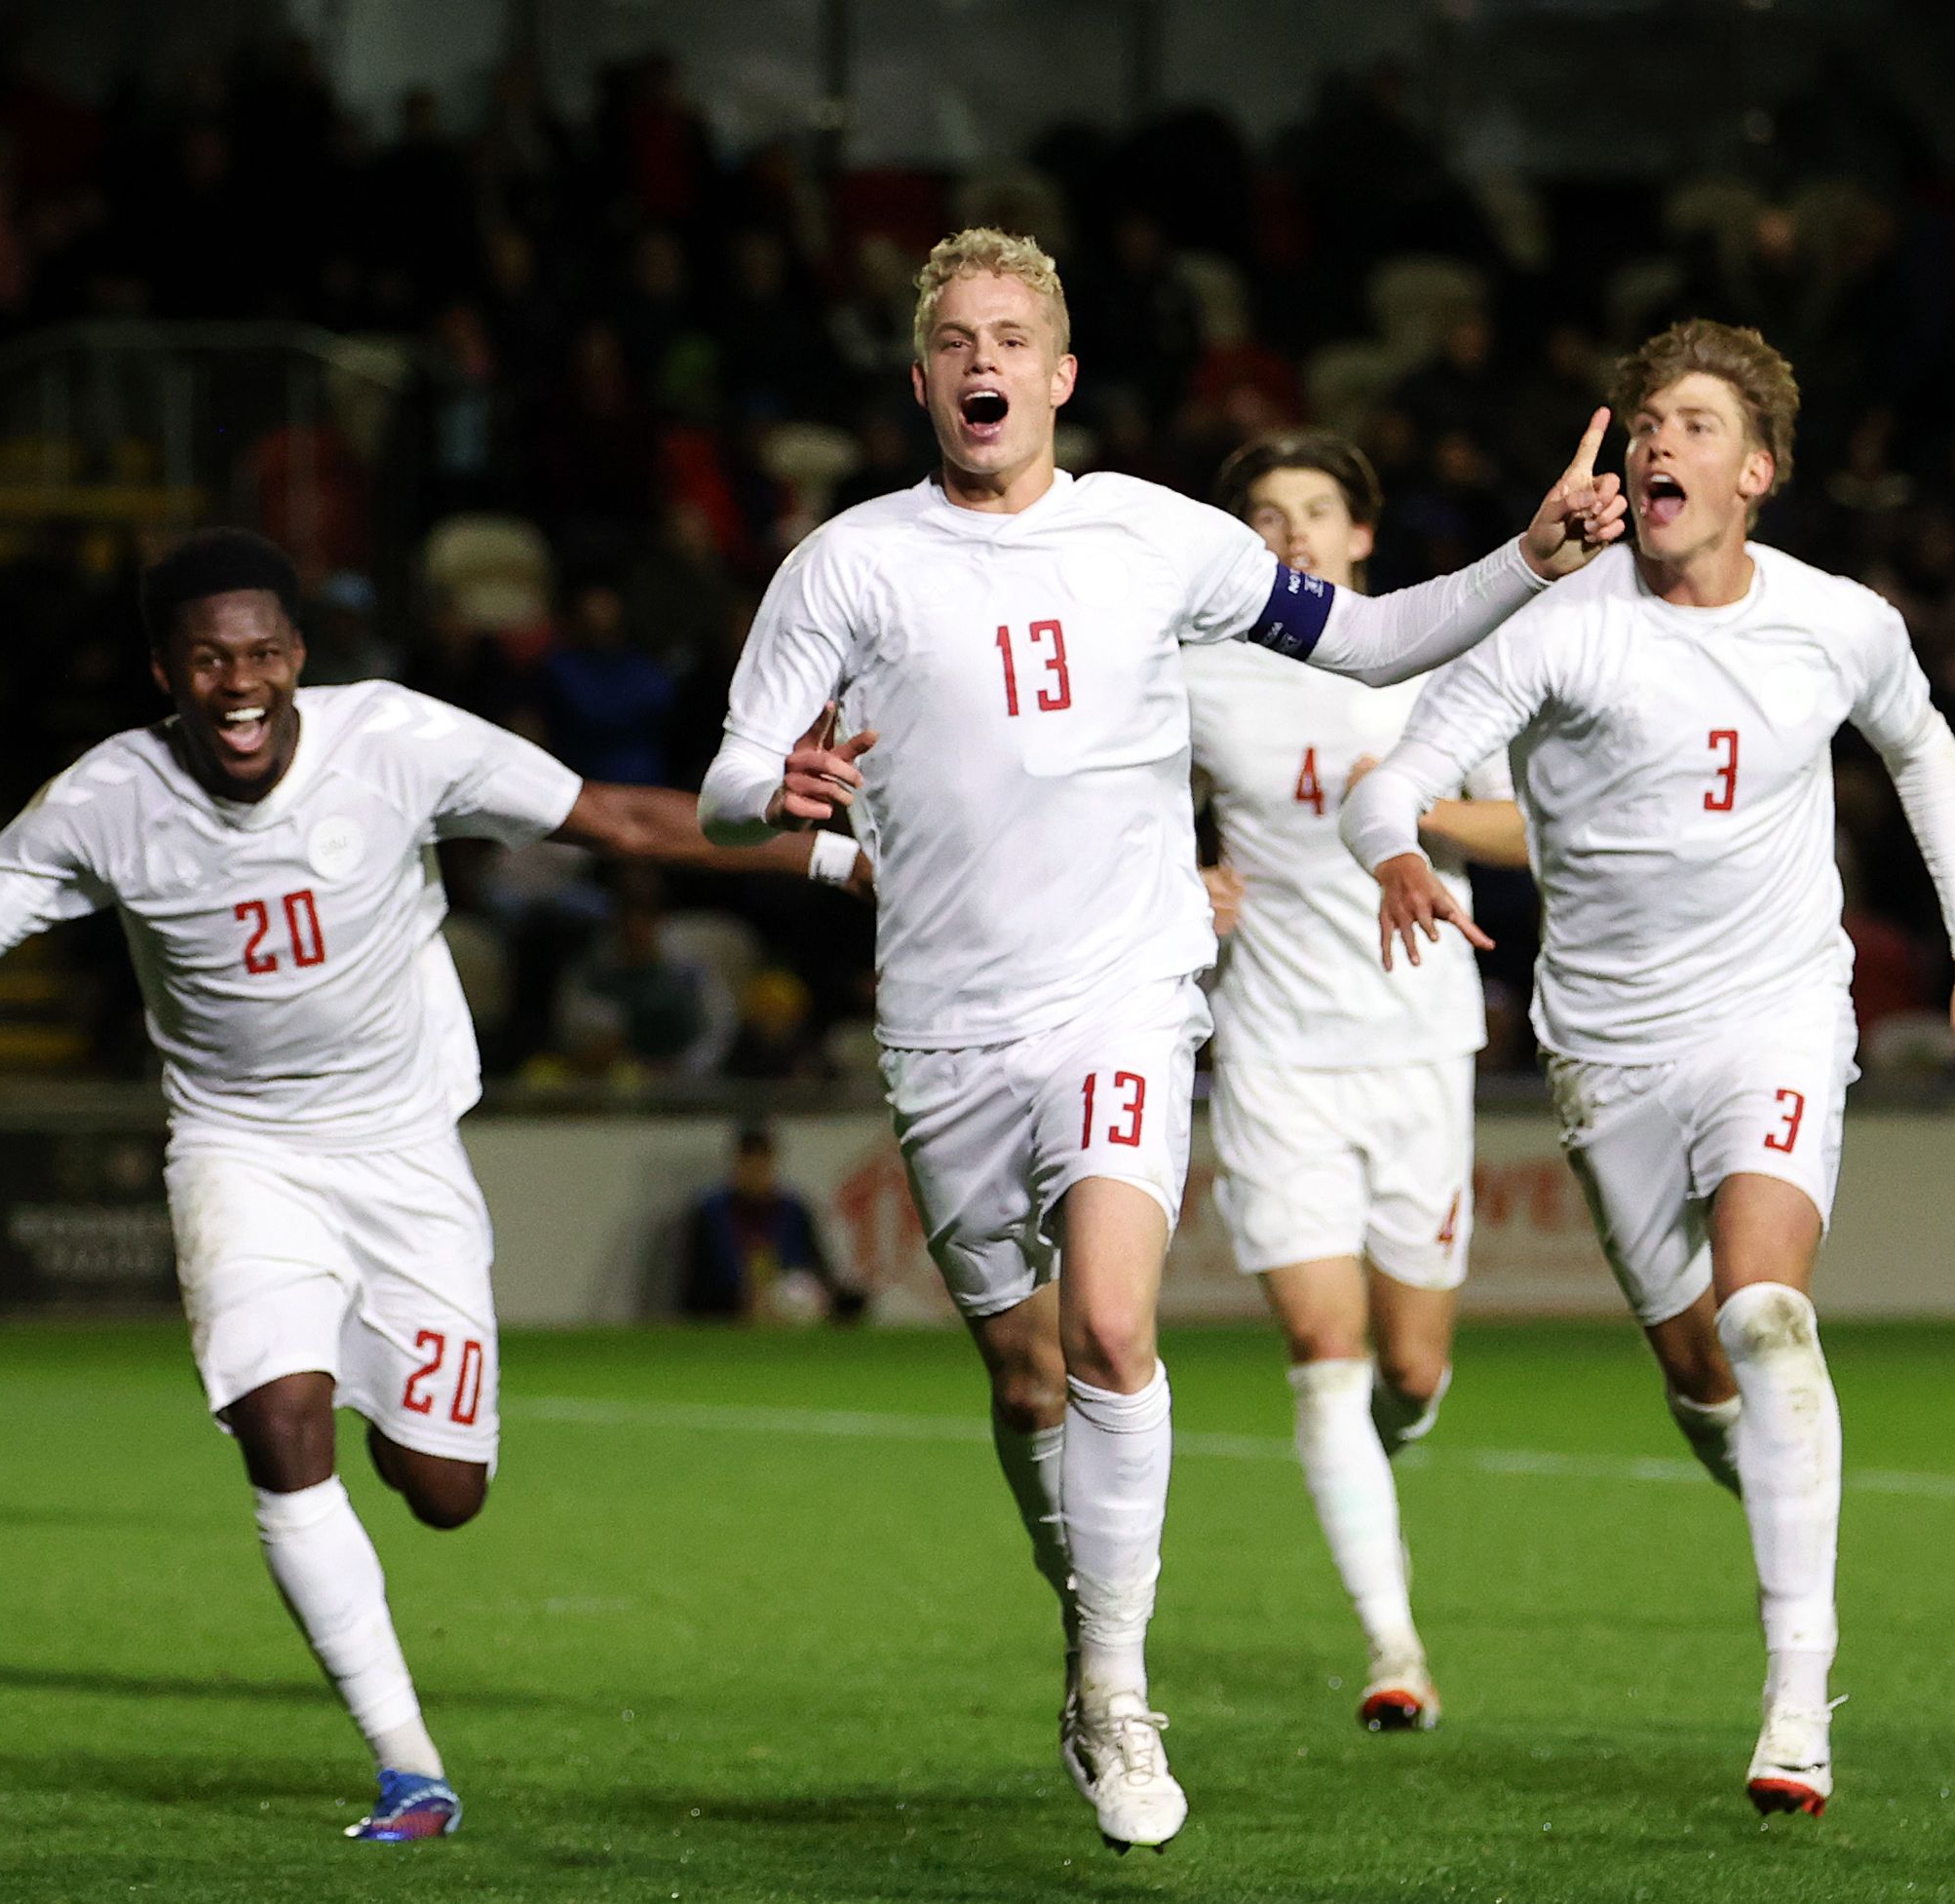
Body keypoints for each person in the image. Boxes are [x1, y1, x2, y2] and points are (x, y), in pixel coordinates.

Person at [0, 528, 861, 1846]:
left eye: (258, 653)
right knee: (281, 1422)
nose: (236, 682)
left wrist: (820, 854)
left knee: (441, 1487)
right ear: (162, 675)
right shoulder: (103, 801)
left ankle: (375, 1392)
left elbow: (616, 817)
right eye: (205, 660)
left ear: (297, 657)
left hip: (406, 1155)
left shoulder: (397, 739)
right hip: (240, 1153)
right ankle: (408, 1763)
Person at [698, 227, 1625, 1851]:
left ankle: (1111, 1687)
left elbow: (1375, 635)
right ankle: (1086, 1612)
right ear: (920, 380)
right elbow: (726, 781)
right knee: (1024, 1365)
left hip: (1124, 994)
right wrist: (763, 793)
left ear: (1056, 374)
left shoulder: (1149, 533)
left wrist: (1528, 556)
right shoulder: (846, 563)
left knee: (1114, 1327)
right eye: (951, 340)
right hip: (942, 1025)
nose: (980, 360)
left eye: (1011, 335)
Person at [1339, 320, 1955, 1817]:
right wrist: (1394, 845)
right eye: (1647, 420)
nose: (1659, 444)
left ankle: (1797, 1698)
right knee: (1704, 1367)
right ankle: (1772, 1471)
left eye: (1696, 424)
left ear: (1758, 470)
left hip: (1776, 1012)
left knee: (1768, 1309)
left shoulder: (1837, 620)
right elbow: (1395, 767)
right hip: (1604, 1044)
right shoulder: (1558, 617)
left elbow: (1922, 748)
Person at [1186, 430, 1526, 1735]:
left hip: (1416, 1044)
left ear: (1360, 534)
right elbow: (1114, 798)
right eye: (1266, 515)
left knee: (1412, 1365)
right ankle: (1395, 1648)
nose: (1291, 535)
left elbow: (1526, 824)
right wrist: (1185, 879)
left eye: (1316, 512)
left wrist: (1416, 811)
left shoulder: (1429, 655)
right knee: (1323, 1351)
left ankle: (1385, 1449)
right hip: (1273, 1051)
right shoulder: (1197, 672)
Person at [675, 1122, 852, 1321]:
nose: (755, 1173)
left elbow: (820, 1270)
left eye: (762, 1164)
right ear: (737, 1163)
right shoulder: (711, 1214)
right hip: (731, 1309)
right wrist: (741, 1299)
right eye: (749, 1163)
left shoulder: (794, 1211)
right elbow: (692, 1287)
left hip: (792, 1303)